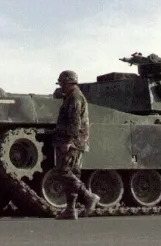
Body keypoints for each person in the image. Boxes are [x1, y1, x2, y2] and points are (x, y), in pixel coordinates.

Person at [53, 70, 100, 219]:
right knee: (73, 173)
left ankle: (88, 197)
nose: (61, 86)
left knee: (63, 171)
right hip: (77, 141)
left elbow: (74, 122)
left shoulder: (75, 97)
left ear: (69, 83)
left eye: (62, 83)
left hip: (74, 141)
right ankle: (71, 209)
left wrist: (68, 141)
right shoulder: (71, 96)